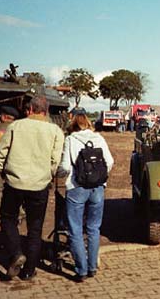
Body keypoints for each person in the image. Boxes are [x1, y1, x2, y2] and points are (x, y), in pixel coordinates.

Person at [0, 96, 64, 281]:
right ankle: (29, 270)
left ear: (30, 109)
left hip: (14, 183)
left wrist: (4, 171)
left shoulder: (15, 126)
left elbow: (1, 153)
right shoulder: (55, 130)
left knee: (8, 219)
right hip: (39, 185)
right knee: (35, 227)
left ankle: (16, 253)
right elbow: (55, 160)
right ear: (46, 111)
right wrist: (46, 175)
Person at [57, 113, 114, 282]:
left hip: (77, 187)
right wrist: (98, 176)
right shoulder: (99, 138)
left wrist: (59, 173)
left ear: (72, 125)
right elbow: (109, 162)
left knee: (75, 229)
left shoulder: (70, 140)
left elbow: (66, 167)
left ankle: (81, 269)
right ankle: (92, 267)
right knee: (94, 228)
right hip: (97, 188)